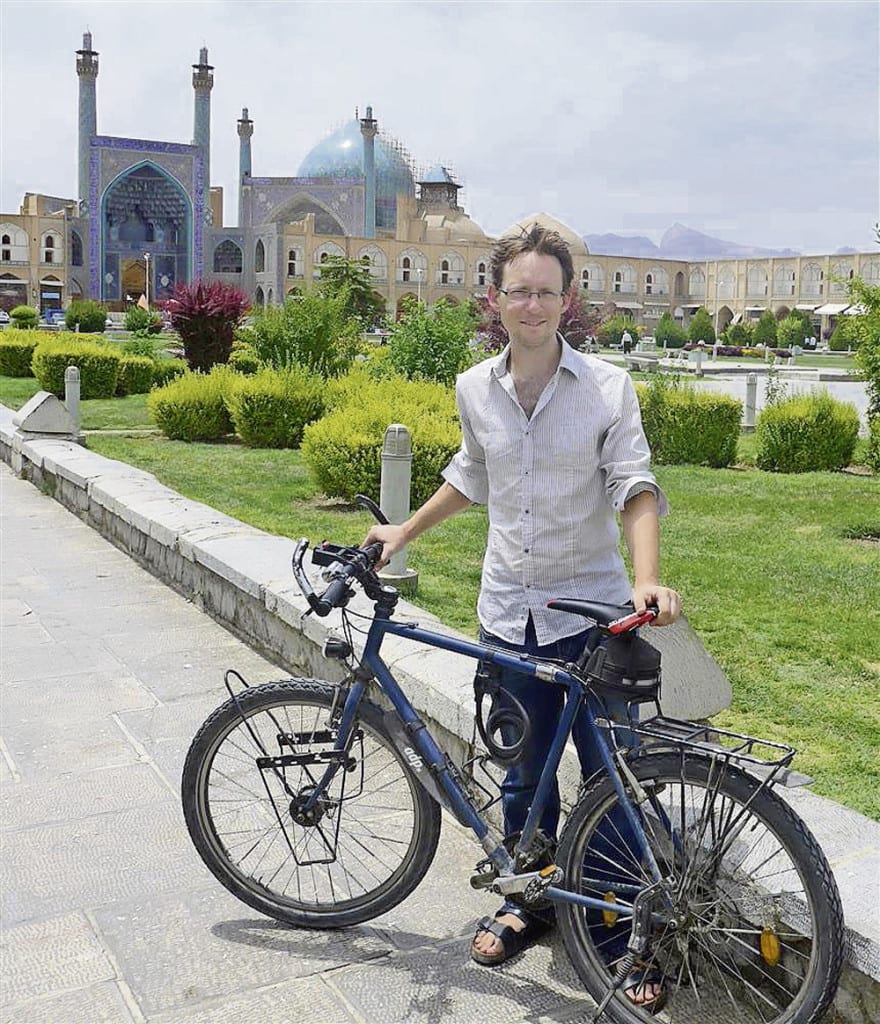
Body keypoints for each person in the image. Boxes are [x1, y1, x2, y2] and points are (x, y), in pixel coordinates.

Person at [365, 223, 680, 1009]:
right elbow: (472, 474)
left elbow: (634, 486)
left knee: (616, 781)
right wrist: (403, 530)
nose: (531, 304)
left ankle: (621, 928)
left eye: (545, 290)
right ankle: (528, 900)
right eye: (518, 291)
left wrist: (647, 578)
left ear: (566, 299)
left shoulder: (608, 388)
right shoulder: (476, 387)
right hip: (509, 614)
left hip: (595, 615)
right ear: (497, 299)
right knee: (522, 777)